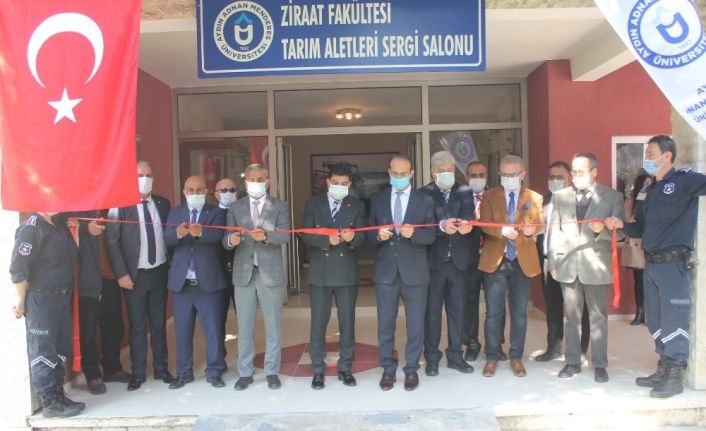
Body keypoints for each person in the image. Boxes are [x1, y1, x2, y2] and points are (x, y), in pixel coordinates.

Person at [606, 135, 706, 398]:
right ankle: (663, 365)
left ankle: (675, 373)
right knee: (656, 320)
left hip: (673, 265)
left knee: (674, 318)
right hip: (650, 265)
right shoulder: (649, 189)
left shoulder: (685, 181)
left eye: (650, 153)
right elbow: (639, 227)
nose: (646, 158)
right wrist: (621, 224)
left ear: (667, 156)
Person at [548, 153, 624, 383]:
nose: (575, 176)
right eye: (573, 172)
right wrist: (554, 262)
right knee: (571, 316)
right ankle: (572, 361)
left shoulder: (612, 197)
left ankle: (600, 364)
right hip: (568, 264)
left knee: (598, 317)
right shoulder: (561, 196)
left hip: (596, 265)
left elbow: (621, 233)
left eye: (580, 171)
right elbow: (555, 231)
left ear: (594, 172)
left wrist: (604, 230)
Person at [367, 155, 436, 391]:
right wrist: (378, 235)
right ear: (389, 173)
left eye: (403, 174)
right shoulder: (378, 199)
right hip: (386, 272)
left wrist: (413, 234)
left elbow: (431, 235)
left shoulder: (425, 200)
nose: (399, 178)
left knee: (415, 325)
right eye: (395, 174)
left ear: (412, 174)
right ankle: (388, 368)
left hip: (415, 273)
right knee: (385, 324)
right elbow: (368, 233)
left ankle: (411, 369)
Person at [106, 161, 176, 391]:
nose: (144, 179)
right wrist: (121, 273)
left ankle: (161, 368)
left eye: (148, 175)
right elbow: (112, 242)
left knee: (158, 324)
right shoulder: (120, 205)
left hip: (159, 272)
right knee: (137, 326)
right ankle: (138, 372)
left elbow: (169, 235)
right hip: (134, 276)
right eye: (139, 175)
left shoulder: (162, 204)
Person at [223, 164, 291, 391]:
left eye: (260, 179)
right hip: (243, 273)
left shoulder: (279, 205)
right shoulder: (236, 207)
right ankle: (245, 372)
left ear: (267, 181)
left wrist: (266, 236)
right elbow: (226, 238)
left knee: (273, 326)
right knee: (244, 326)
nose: (255, 183)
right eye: (251, 179)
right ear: (245, 183)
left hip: (270, 273)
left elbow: (285, 236)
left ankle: (272, 371)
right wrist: (230, 241)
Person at [10, 212, 85, 417]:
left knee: (59, 349)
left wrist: (76, 231)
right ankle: (50, 403)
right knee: (43, 351)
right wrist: (20, 299)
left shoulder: (60, 225)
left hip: (61, 297)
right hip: (42, 299)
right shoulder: (31, 228)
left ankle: (58, 395)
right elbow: (18, 268)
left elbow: (73, 256)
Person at [302, 162, 366, 389]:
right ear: (328, 182)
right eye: (336, 183)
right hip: (320, 272)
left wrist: (352, 238)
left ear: (349, 184)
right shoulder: (313, 203)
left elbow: (362, 236)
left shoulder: (356, 205)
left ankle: (345, 367)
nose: (340, 186)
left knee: (347, 321)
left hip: (346, 271)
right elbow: (305, 234)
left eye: (344, 184)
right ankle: (318, 369)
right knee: (318, 321)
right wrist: (325, 240)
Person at [479, 155, 543, 378]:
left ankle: (516, 357)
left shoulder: (534, 197)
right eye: (504, 174)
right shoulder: (489, 196)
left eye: (512, 174)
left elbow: (538, 223)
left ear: (522, 174)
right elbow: (484, 223)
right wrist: (501, 231)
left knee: (519, 314)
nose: (508, 178)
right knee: (493, 313)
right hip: (496, 261)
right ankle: (492, 356)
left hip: (521, 262)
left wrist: (531, 230)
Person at [164, 175, 228, 389]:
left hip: (208, 282)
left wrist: (200, 232)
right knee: (182, 331)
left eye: (199, 190)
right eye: (190, 190)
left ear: (206, 191)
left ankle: (214, 371)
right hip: (182, 283)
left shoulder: (217, 213)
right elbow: (167, 239)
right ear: (184, 192)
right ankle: (184, 373)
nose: (195, 193)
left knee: (213, 330)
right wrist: (178, 233)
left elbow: (217, 237)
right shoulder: (175, 212)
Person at [420, 151, 476, 376]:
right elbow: (422, 226)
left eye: (450, 170)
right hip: (434, 263)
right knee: (432, 313)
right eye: (441, 171)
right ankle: (432, 358)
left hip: (459, 263)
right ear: (433, 172)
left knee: (458, 312)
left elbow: (470, 217)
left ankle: (456, 356)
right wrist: (441, 227)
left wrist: (466, 225)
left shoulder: (465, 191)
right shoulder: (423, 194)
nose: (446, 174)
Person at [535, 161, 590, 362]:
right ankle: (554, 348)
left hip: (572, 262)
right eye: (551, 177)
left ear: (569, 179)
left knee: (577, 308)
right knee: (553, 306)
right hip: (548, 261)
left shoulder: (579, 200)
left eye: (559, 177)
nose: (555, 180)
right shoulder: (544, 200)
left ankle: (580, 351)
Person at [75, 210, 131, 395]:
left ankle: (112, 368)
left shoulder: (112, 209)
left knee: (115, 326)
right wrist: (85, 228)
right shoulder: (78, 208)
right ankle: (92, 374)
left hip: (111, 277)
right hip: (88, 279)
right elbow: (63, 225)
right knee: (88, 330)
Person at [621, 173, 651, 325]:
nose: (648, 186)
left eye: (650, 183)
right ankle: (640, 313)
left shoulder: (655, 199)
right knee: (639, 281)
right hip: (637, 243)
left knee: (652, 282)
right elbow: (629, 221)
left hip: (652, 243)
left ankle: (651, 315)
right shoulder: (631, 201)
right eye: (645, 183)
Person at [214, 177, 237, 350]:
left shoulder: (243, 213)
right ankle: (218, 357)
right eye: (223, 190)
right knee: (217, 318)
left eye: (231, 190)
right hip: (217, 273)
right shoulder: (210, 214)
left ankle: (244, 358)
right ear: (216, 194)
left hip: (240, 273)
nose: (228, 193)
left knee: (244, 317)